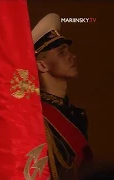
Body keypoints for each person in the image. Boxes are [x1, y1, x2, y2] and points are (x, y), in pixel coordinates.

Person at [32, 13, 93, 179]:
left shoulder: (75, 113)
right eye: (61, 53)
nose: (72, 56)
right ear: (42, 65)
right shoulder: (35, 117)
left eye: (68, 51)